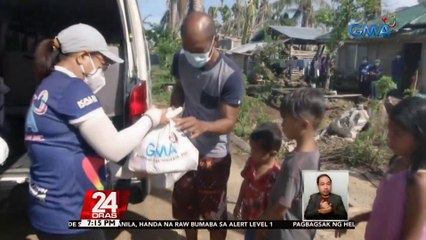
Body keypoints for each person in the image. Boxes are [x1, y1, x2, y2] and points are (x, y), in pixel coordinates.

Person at [25, 23, 168, 240]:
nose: (105, 70)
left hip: (54, 204)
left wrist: (128, 170)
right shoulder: (72, 89)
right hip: (70, 210)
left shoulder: (49, 85)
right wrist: (152, 118)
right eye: (103, 63)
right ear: (82, 57)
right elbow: (114, 148)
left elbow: (72, 147)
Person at [170, 12, 244, 240]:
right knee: (185, 206)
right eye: (187, 48)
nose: (192, 55)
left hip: (214, 156)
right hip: (184, 151)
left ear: (216, 41)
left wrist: (203, 125)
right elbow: (180, 88)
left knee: (214, 212)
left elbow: (229, 122)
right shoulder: (180, 59)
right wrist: (172, 112)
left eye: (198, 50)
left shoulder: (230, 75)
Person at [336, 97, 426, 240]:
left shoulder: (418, 182)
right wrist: (358, 218)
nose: (389, 137)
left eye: (397, 133)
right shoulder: (396, 163)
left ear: (420, 138)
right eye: (390, 130)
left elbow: (413, 235)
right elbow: (386, 209)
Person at [257, 88, 326, 240]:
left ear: (303, 124)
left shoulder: (294, 164)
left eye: (285, 119)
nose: (282, 124)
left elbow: (282, 206)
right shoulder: (315, 153)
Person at [233, 122, 282, 240]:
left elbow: (275, 205)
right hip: (248, 216)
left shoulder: (276, 176)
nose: (251, 153)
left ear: (272, 153)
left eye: (255, 150)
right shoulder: (251, 163)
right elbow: (246, 183)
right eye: (251, 148)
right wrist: (238, 203)